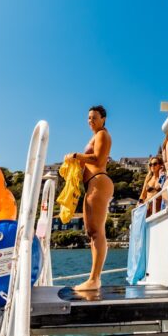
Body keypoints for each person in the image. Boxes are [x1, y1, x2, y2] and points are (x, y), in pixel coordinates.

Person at [64, 105, 113, 291]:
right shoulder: (96, 136)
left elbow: (99, 160)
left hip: (98, 181)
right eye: (88, 118)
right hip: (93, 183)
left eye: (94, 117)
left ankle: (95, 279)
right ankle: (93, 278)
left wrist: (77, 156)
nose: (90, 120)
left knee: (97, 231)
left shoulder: (102, 135)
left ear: (103, 119)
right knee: (91, 232)